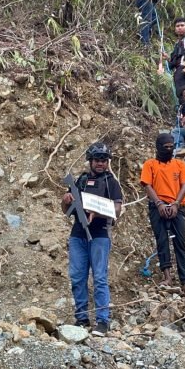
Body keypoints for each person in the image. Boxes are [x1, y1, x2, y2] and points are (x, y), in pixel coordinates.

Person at [61, 143, 123, 337]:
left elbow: (117, 210)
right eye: (97, 160)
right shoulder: (81, 180)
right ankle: (82, 318)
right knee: (78, 277)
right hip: (78, 234)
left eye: (104, 160)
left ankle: (102, 321)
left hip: (99, 235)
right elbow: (66, 211)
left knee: (100, 278)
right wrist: (66, 200)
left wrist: (98, 212)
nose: (101, 164)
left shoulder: (111, 182)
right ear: (90, 161)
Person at [141, 133, 185, 297]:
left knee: (180, 242)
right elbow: (147, 185)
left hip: (177, 206)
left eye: (171, 147)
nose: (169, 150)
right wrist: (159, 203)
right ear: (158, 148)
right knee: (161, 240)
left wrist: (176, 204)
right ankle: (167, 276)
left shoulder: (179, 164)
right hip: (157, 206)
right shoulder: (149, 164)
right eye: (166, 147)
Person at [164, 18, 185, 95]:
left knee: (183, 90)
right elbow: (178, 58)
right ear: (175, 29)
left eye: (182, 25)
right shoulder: (179, 43)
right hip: (180, 68)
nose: (180, 27)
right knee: (183, 89)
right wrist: (168, 58)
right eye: (177, 26)